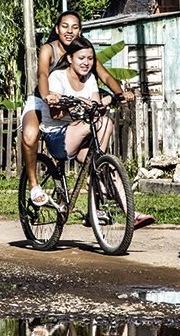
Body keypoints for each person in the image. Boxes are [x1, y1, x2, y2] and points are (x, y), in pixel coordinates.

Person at [21, 11, 133, 205]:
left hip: (68, 102)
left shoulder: (82, 52)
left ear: (80, 31)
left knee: (95, 133)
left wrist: (121, 94)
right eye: (65, 26)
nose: (69, 31)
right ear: (57, 29)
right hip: (42, 100)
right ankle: (34, 185)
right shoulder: (49, 49)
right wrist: (48, 96)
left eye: (75, 27)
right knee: (30, 135)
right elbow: (42, 75)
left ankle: (96, 195)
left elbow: (105, 76)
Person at [42, 37, 154, 229]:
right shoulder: (57, 77)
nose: (86, 63)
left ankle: (131, 214)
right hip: (59, 136)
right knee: (100, 122)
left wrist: (107, 101)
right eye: (81, 58)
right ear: (69, 58)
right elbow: (56, 114)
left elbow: (95, 108)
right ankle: (96, 167)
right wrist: (66, 103)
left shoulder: (90, 79)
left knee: (106, 127)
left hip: (82, 135)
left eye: (90, 59)